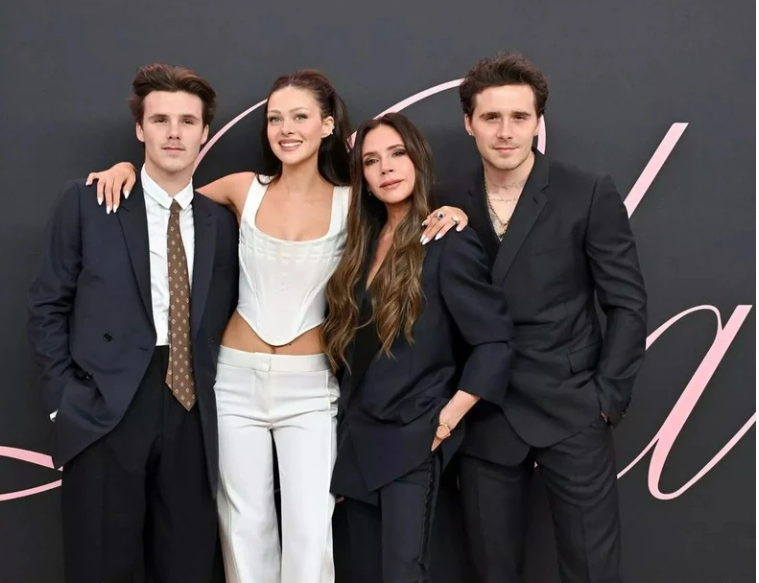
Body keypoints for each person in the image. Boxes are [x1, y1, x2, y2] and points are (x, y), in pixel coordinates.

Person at [84, 69, 469, 583]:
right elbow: (167, 195)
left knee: (311, 532)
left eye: (300, 116)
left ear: (327, 125)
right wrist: (125, 170)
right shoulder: (243, 188)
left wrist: (451, 210)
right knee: (244, 529)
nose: (286, 129)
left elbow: (404, 208)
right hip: (234, 383)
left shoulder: (352, 201)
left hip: (311, 388)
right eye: (275, 119)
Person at [434, 52, 648, 583]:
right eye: (491, 117)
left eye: (519, 117)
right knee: (492, 572)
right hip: (486, 412)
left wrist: (606, 400)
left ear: (537, 121)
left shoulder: (587, 191)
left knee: (593, 571)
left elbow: (626, 303)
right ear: (469, 123)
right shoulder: (445, 198)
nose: (505, 132)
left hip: (572, 407)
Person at [27, 63, 239, 583]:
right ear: (140, 129)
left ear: (205, 132)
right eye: (160, 120)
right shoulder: (89, 202)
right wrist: (63, 401)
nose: (174, 133)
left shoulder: (222, 221)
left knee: (188, 565)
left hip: (194, 410)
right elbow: (48, 303)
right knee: (101, 565)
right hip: (107, 406)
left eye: (187, 121)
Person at [323, 112, 513, 583]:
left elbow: (494, 342)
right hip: (358, 441)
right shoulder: (360, 245)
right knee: (361, 572)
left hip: (413, 437)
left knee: (403, 573)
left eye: (397, 154)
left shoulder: (447, 240)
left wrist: (446, 420)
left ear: (418, 160)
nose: (386, 168)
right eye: (371, 161)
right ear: (363, 178)